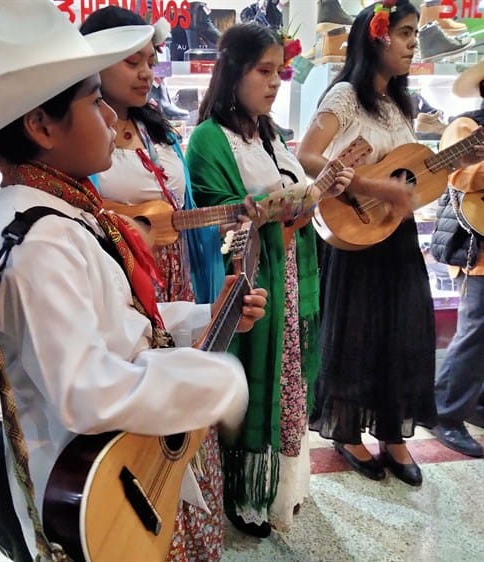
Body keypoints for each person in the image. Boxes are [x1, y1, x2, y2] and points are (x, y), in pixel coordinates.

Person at [0, 1, 267, 559]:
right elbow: (86, 390)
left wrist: (202, 316)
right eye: (93, 102)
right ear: (41, 125)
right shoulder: (43, 242)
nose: (112, 119)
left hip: (98, 477)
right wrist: (218, 378)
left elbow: (112, 325)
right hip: (85, 494)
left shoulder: (54, 214)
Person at [185, 23, 354, 537]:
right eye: (263, 71)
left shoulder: (272, 135)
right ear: (232, 72)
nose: (276, 82)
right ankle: (244, 494)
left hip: (291, 281)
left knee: (290, 389)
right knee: (248, 394)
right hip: (250, 286)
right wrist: (282, 206)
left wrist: (321, 190)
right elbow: (225, 221)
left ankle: (284, 488)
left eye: (279, 71)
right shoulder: (209, 141)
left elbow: (292, 218)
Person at [79, 7, 228, 559]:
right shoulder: (79, 133)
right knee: (142, 411)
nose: (146, 73)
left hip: (175, 276)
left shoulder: (153, 126)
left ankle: (194, 540)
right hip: (122, 279)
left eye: (150, 60)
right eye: (131, 61)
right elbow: (83, 206)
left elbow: (178, 210)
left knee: (186, 404)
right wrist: (133, 223)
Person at [296, 0, 437, 487]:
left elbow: (410, 170)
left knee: (401, 332)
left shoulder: (403, 104)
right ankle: (348, 431)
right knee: (354, 333)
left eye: (414, 34)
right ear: (375, 38)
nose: (412, 43)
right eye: (404, 33)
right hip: (354, 232)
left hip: (397, 235)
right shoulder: (344, 98)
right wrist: (372, 188)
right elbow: (308, 156)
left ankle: (393, 436)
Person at [428, 60, 484, 458]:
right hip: (476, 251)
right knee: (475, 330)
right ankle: (444, 410)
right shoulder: (465, 127)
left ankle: (475, 403)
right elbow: (459, 177)